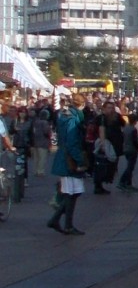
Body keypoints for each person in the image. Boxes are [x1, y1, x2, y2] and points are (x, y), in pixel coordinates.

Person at [48, 93, 88, 235]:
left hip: (64, 157)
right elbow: (72, 142)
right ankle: (65, 224)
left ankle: (60, 221)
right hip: (69, 160)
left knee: (72, 192)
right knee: (72, 192)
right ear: (82, 105)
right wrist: (80, 160)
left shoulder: (64, 116)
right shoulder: (73, 119)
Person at [31, 108, 52, 177]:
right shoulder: (45, 123)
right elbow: (46, 132)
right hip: (43, 142)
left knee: (36, 158)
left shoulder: (36, 122)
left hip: (35, 142)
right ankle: (40, 171)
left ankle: (36, 170)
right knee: (42, 158)